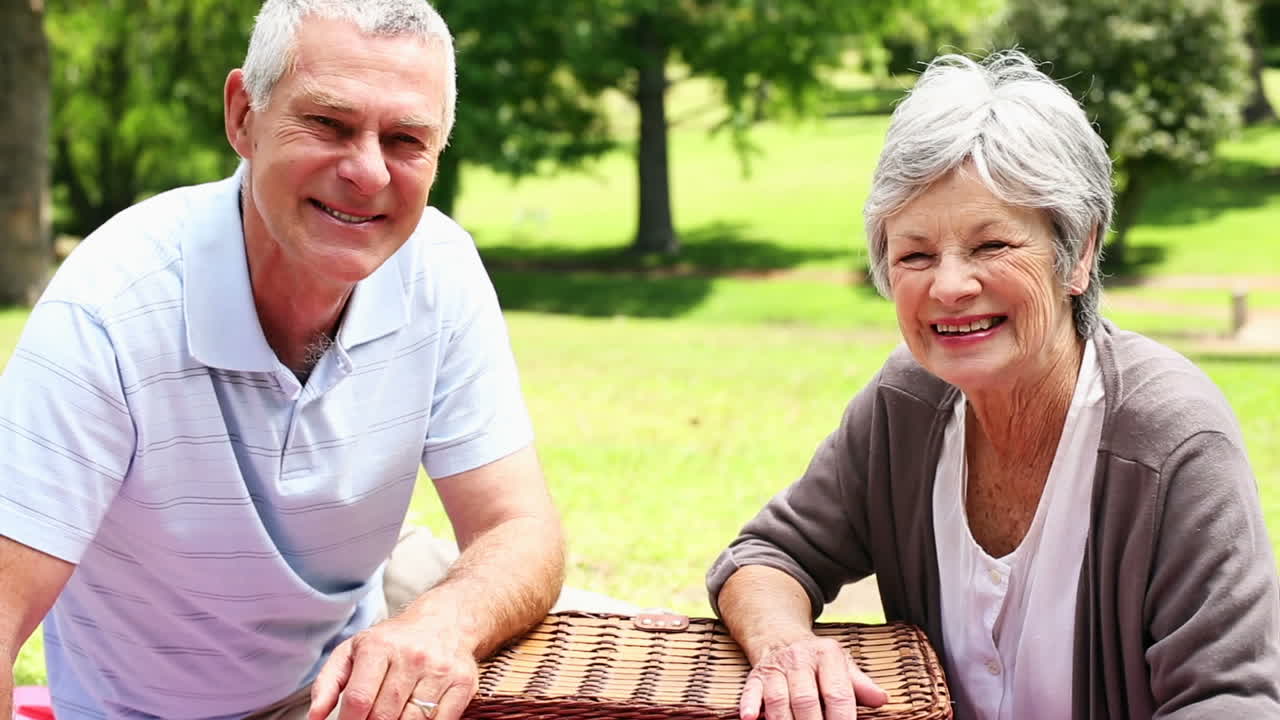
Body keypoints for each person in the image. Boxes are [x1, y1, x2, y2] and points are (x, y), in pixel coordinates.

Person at [0, 1, 586, 719]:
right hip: (168, 710)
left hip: (355, 659)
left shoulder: (439, 264)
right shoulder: (110, 309)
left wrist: (442, 624)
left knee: (655, 652)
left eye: (405, 139)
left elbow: (518, 529)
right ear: (243, 115)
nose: (368, 172)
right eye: (330, 124)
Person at [707, 51, 1280, 720]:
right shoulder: (908, 404)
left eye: (992, 246)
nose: (949, 286)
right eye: (915, 254)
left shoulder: (1170, 437)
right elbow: (767, 555)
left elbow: (1230, 701)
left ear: (1081, 253)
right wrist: (788, 645)